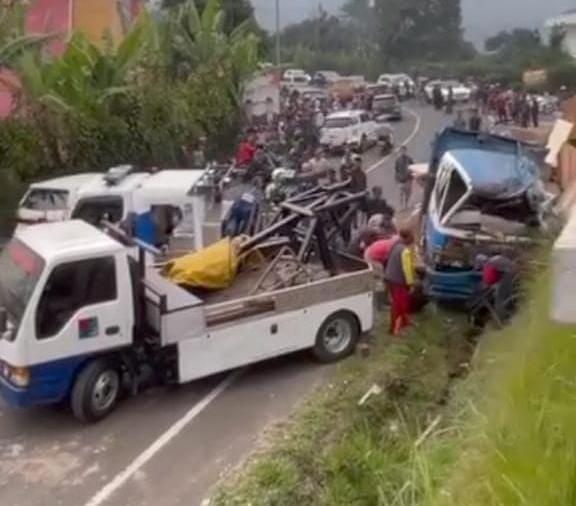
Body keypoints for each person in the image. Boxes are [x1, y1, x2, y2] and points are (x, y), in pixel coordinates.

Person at [384, 228, 417, 335]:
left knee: (400, 302)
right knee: (399, 305)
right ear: (407, 238)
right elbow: (407, 270)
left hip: (389, 278)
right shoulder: (405, 251)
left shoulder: (395, 246)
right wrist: (411, 284)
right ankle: (395, 330)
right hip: (398, 281)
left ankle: (405, 322)